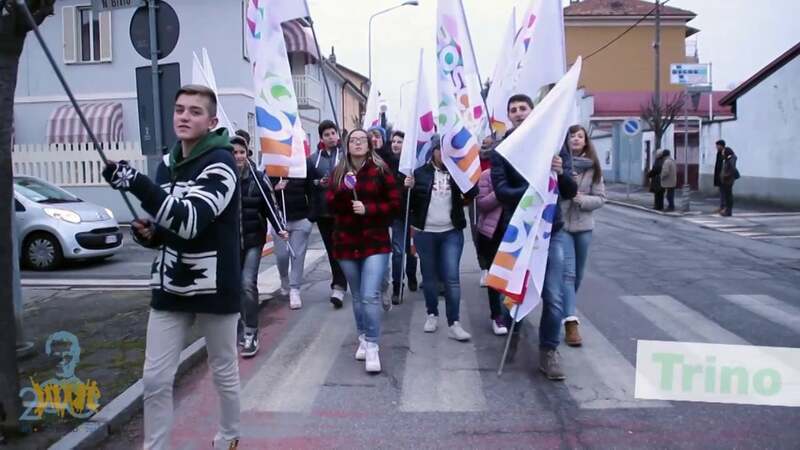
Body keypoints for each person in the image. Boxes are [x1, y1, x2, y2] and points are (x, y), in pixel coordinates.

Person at [103, 85, 241, 449]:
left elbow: (191, 220)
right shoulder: (166, 164)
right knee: (154, 379)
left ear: (211, 122)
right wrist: (152, 235)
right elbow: (169, 226)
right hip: (169, 285)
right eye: (180, 109)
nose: (184, 116)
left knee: (223, 371)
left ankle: (228, 438)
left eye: (195, 111)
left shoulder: (222, 163)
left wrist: (136, 183)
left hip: (215, 287)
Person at [490, 93, 578, 381]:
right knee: (513, 293)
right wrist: (534, 191)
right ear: (509, 116)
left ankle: (549, 351)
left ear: (532, 111)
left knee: (553, 296)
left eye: (523, 108)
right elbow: (502, 192)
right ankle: (513, 332)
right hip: (517, 232)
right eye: (513, 109)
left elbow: (570, 190)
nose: (518, 113)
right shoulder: (502, 149)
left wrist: (560, 173)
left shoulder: (555, 145)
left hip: (551, 232)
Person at [327, 129, 400, 373]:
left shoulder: (381, 170)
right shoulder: (339, 172)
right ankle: (362, 336)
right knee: (357, 295)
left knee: (369, 295)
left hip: (375, 241)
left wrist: (369, 208)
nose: (357, 143)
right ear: (347, 145)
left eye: (362, 140)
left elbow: (394, 204)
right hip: (346, 241)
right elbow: (330, 205)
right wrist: (344, 190)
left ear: (369, 145)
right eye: (353, 140)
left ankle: (372, 345)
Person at [405, 135, 478, 341]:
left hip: (451, 232)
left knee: (451, 277)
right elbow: (408, 205)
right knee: (429, 276)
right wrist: (407, 187)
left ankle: (454, 322)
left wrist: (465, 174)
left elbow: (473, 192)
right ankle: (432, 313)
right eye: (440, 149)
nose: (443, 154)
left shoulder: (458, 172)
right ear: (434, 150)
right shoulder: (420, 173)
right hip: (425, 232)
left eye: (448, 150)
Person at [231, 132, 286, 358]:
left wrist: (280, 227)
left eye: (241, 152)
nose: (238, 156)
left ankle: (251, 332)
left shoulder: (259, 178)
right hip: (230, 243)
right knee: (234, 287)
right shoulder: (221, 179)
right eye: (233, 152)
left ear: (248, 153)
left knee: (247, 284)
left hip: (253, 239)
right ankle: (239, 325)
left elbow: (271, 206)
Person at [559, 125, 606, 347]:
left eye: (580, 136)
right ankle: (570, 322)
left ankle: (565, 307)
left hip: (584, 227)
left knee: (577, 275)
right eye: (572, 136)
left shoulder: (593, 167)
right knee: (567, 275)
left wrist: (581, 200)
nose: (576, 139)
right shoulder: (559, 164)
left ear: (586, 141)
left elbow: (601, 198)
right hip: (563, 226)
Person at [269, 156, 317, 310]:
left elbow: (313, 191)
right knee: (282, 255)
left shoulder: (305, 165)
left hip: (301, 218)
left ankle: (295, 289)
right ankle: (284, 279)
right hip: (280, 219)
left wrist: (310, 218)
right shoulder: (273, 164)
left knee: (297, 255)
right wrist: (274, 188)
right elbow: (264, 191)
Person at [310, 120, 347, 309]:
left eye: (333, 133)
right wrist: (318, 183)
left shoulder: (346, 155)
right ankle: (339, 285)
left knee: (343, 248)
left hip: (343, 210)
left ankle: (345, 283)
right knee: (332, 250)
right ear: (321, 138)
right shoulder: (313, 159)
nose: (331, 137)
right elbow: (309, 183)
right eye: (327, 134)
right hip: (323, 211)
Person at [385, 130, 419, 304]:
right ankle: (397, 287)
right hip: (397, 215)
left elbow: (421, 190)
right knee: (397, 253)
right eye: (394, 142)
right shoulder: (387, 165)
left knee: (411, 252)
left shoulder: (414, 165)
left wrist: (412, 184)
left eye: (399, 142)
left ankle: (412, 275)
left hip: (412, 215)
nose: (396, 144)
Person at [720, 146, 738, 216]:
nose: (722, 153)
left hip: (728, 180)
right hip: (727, 180)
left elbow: (732, 169)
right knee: (727, 196)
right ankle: (726, 210)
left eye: (723, 152)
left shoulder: (731, 159)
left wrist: (725, 176)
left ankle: (728, 211)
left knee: (728, 196)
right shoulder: (728, 159)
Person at [713, 139, 726, 213]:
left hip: (724, 176)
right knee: (721, 192)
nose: (716, 147)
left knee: (724, 192)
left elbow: (724, 165)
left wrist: (723, 174)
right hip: (719, 175)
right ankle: (722, 206)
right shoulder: (719, 153)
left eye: (717, 146)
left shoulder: (724, 153)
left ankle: (724, 207)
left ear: (721, 146)